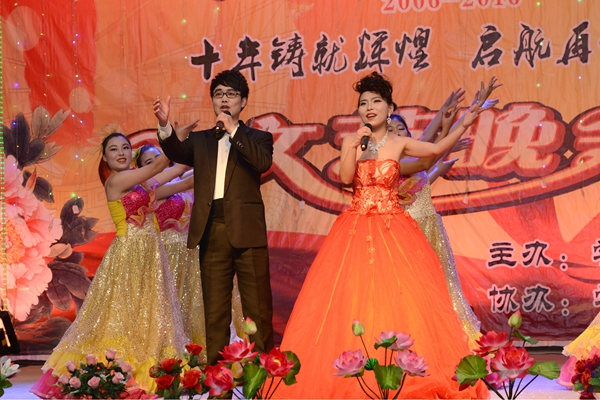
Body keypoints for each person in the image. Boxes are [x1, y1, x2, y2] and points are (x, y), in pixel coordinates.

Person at [273, 72, 492, 398]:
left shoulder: (398, 143)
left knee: (400, 297)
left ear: (390, 108)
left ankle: (396, 370)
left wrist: (466, 120)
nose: (369, 107)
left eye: (376, 101)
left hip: (393, 229)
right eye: (364, 103)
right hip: (355, 229)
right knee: (353, 297)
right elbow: (346, 177)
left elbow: (434, 150)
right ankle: (354, 370)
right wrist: (355, 146)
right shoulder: (352, 142)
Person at [30, 132, 190, 398]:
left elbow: (178, 173)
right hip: (128, 256)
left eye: (125, 147)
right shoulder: (115, 181)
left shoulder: (141, 186)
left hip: (151, 257)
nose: (121, 153)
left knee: (148, 315)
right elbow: (160, 166)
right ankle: (109, 371)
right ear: (105, 157)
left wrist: (200, 151)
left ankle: (145, 370)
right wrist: (174, 136)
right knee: (119, 316)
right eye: (114, 149)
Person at [152, 69, 274, 365]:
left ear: (243, 101)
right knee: (215, 310)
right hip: (211, 228)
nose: (224, 99)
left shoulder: (259, 138)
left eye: (231, 94)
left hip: (247, 229)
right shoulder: (202, 140)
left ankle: (262, 377)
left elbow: (262, 163)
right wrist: (165, 125)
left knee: (257, 307)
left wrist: (234, 131)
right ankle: (218, 379)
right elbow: (177, 151)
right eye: (219, 94)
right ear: (213, 101)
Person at [136, 144, 246, 352]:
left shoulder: (177, 180)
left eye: (159, 158)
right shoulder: (150, 191)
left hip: (193, 251)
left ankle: (211, 346)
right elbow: (191, 180)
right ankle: (180, 349)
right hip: (168, 255)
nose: (157, 164)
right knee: (175, 304)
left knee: (199, 301)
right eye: (149, 163)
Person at [392, 112, 482, 348]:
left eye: (401, 129)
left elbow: (424, 176)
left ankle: (457, 338)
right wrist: (446, 137)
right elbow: (429, 155)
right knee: (418, 286)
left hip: (432, 228)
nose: (397, 133)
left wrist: (440, 165)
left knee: (446, 283)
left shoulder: (414, 158)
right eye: (391, 131)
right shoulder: (391, 165)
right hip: (410, 231)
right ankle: (422, 337)